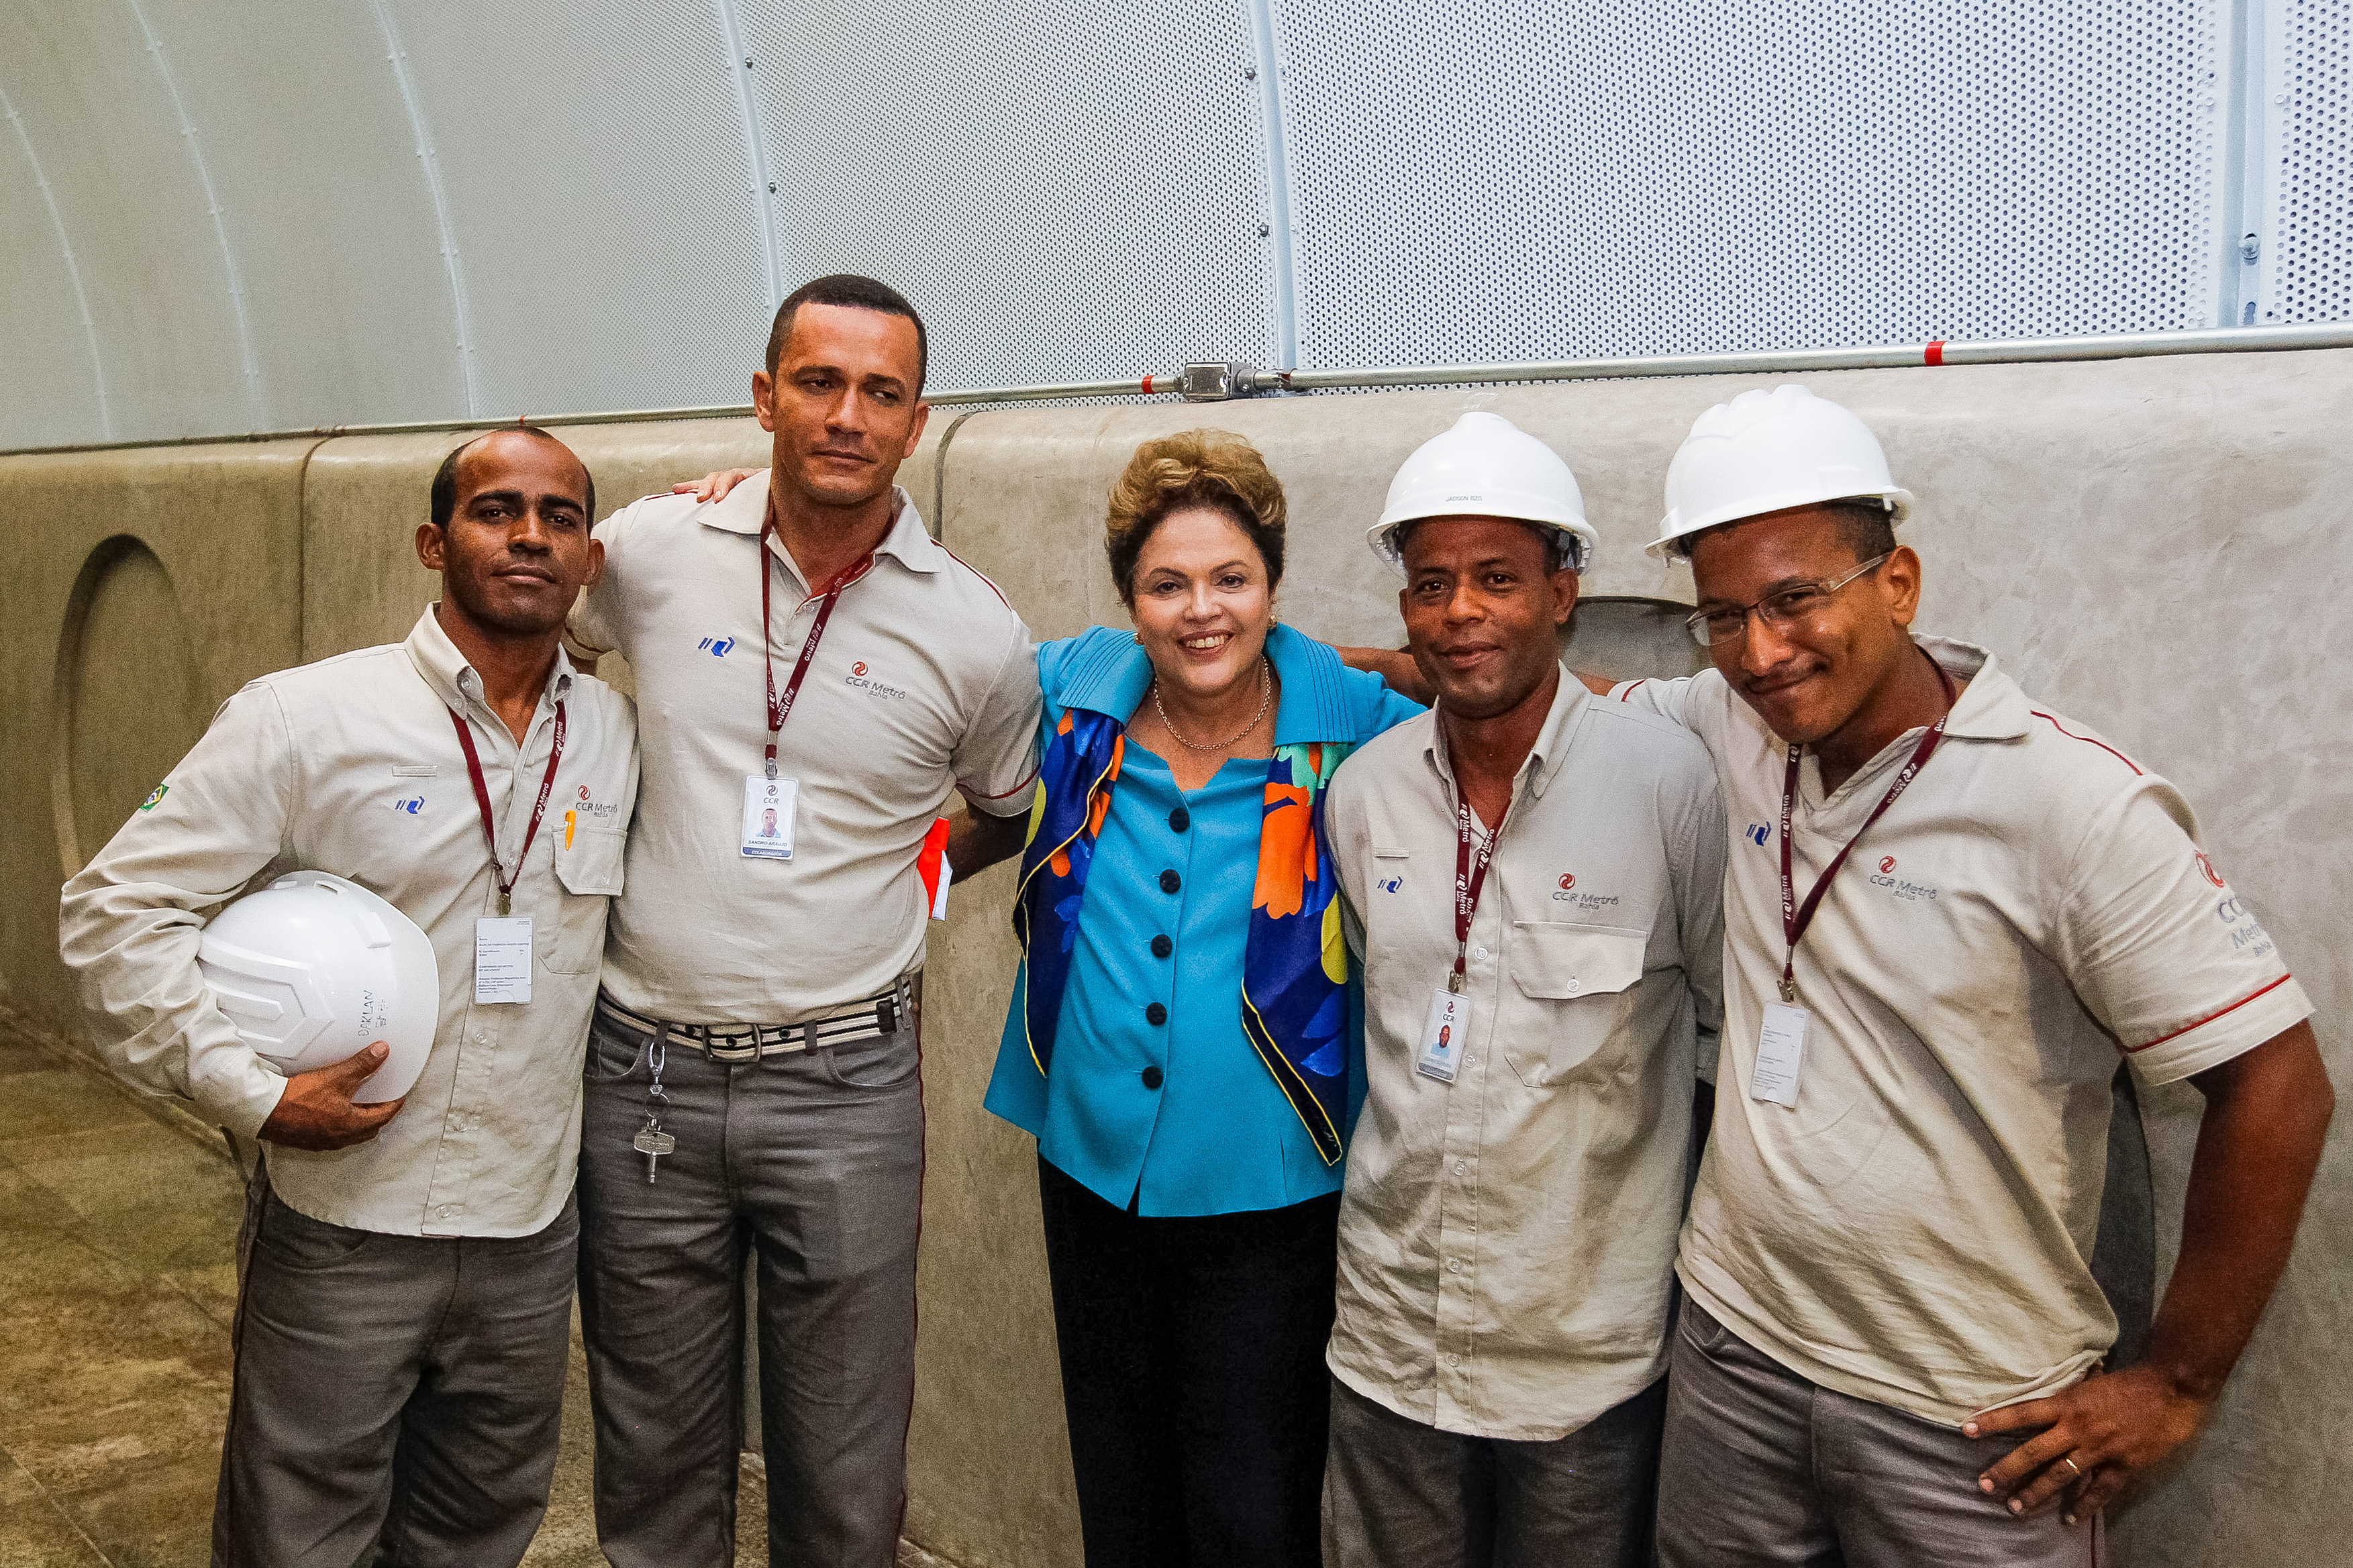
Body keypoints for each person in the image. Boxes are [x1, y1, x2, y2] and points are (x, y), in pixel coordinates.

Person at [1587, 384, 2332, 1565]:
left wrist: (2174, 1382)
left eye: (1794, 600)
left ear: (1897, 582)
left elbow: (2278, 1082)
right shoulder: (1734, 723)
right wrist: (1314, 666)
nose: (1760, 652)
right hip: (1735, 1355)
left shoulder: (2070, 802)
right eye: (1722, 617)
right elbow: (1551, 699)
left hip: (1972, 1414)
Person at [58, 427, 638, 1567]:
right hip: (345, 1226)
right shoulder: (303, 717)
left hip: (527, 1235)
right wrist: (254, 1094)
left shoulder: (616, 735)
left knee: (474, 1534)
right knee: (298, 1538)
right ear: (434, 541)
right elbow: (114, 909)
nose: (530, 535)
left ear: (590, 559)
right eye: (495, 510)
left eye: (560, 517)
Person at [564, 274, 1042, 1567]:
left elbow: (1005, 808)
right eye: (818, 382)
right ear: (765, 396)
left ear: (917, 423)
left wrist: (899, 879)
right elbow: (554, 648)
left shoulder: (976, 631)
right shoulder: (654, 548)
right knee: (654, 1455)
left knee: (841, 1473)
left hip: (845, 1088)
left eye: (880, 392)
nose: (846, 415)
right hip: (642, 1073)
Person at [952, 427, 1423, 1567]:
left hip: (1272, 1186)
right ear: (1129, 598)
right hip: (1090, 1164)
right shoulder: (1074, 695)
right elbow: (919, 633)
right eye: (1167, 584)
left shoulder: (1355, 726)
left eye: (1230, 579)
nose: (1201, 610)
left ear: (1273, 584)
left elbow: (1492, 695)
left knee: (1253, 1509)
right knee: (1121, 1488)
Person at [1319, 412, 1725, 1568]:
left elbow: (1721, 1036)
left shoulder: (1669, 787)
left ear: (1562, 592)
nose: (1460, 611)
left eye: (1496, 578)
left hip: (1581, 1360)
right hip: (1390, 1337)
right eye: (1431, 583)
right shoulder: (1365, 792)